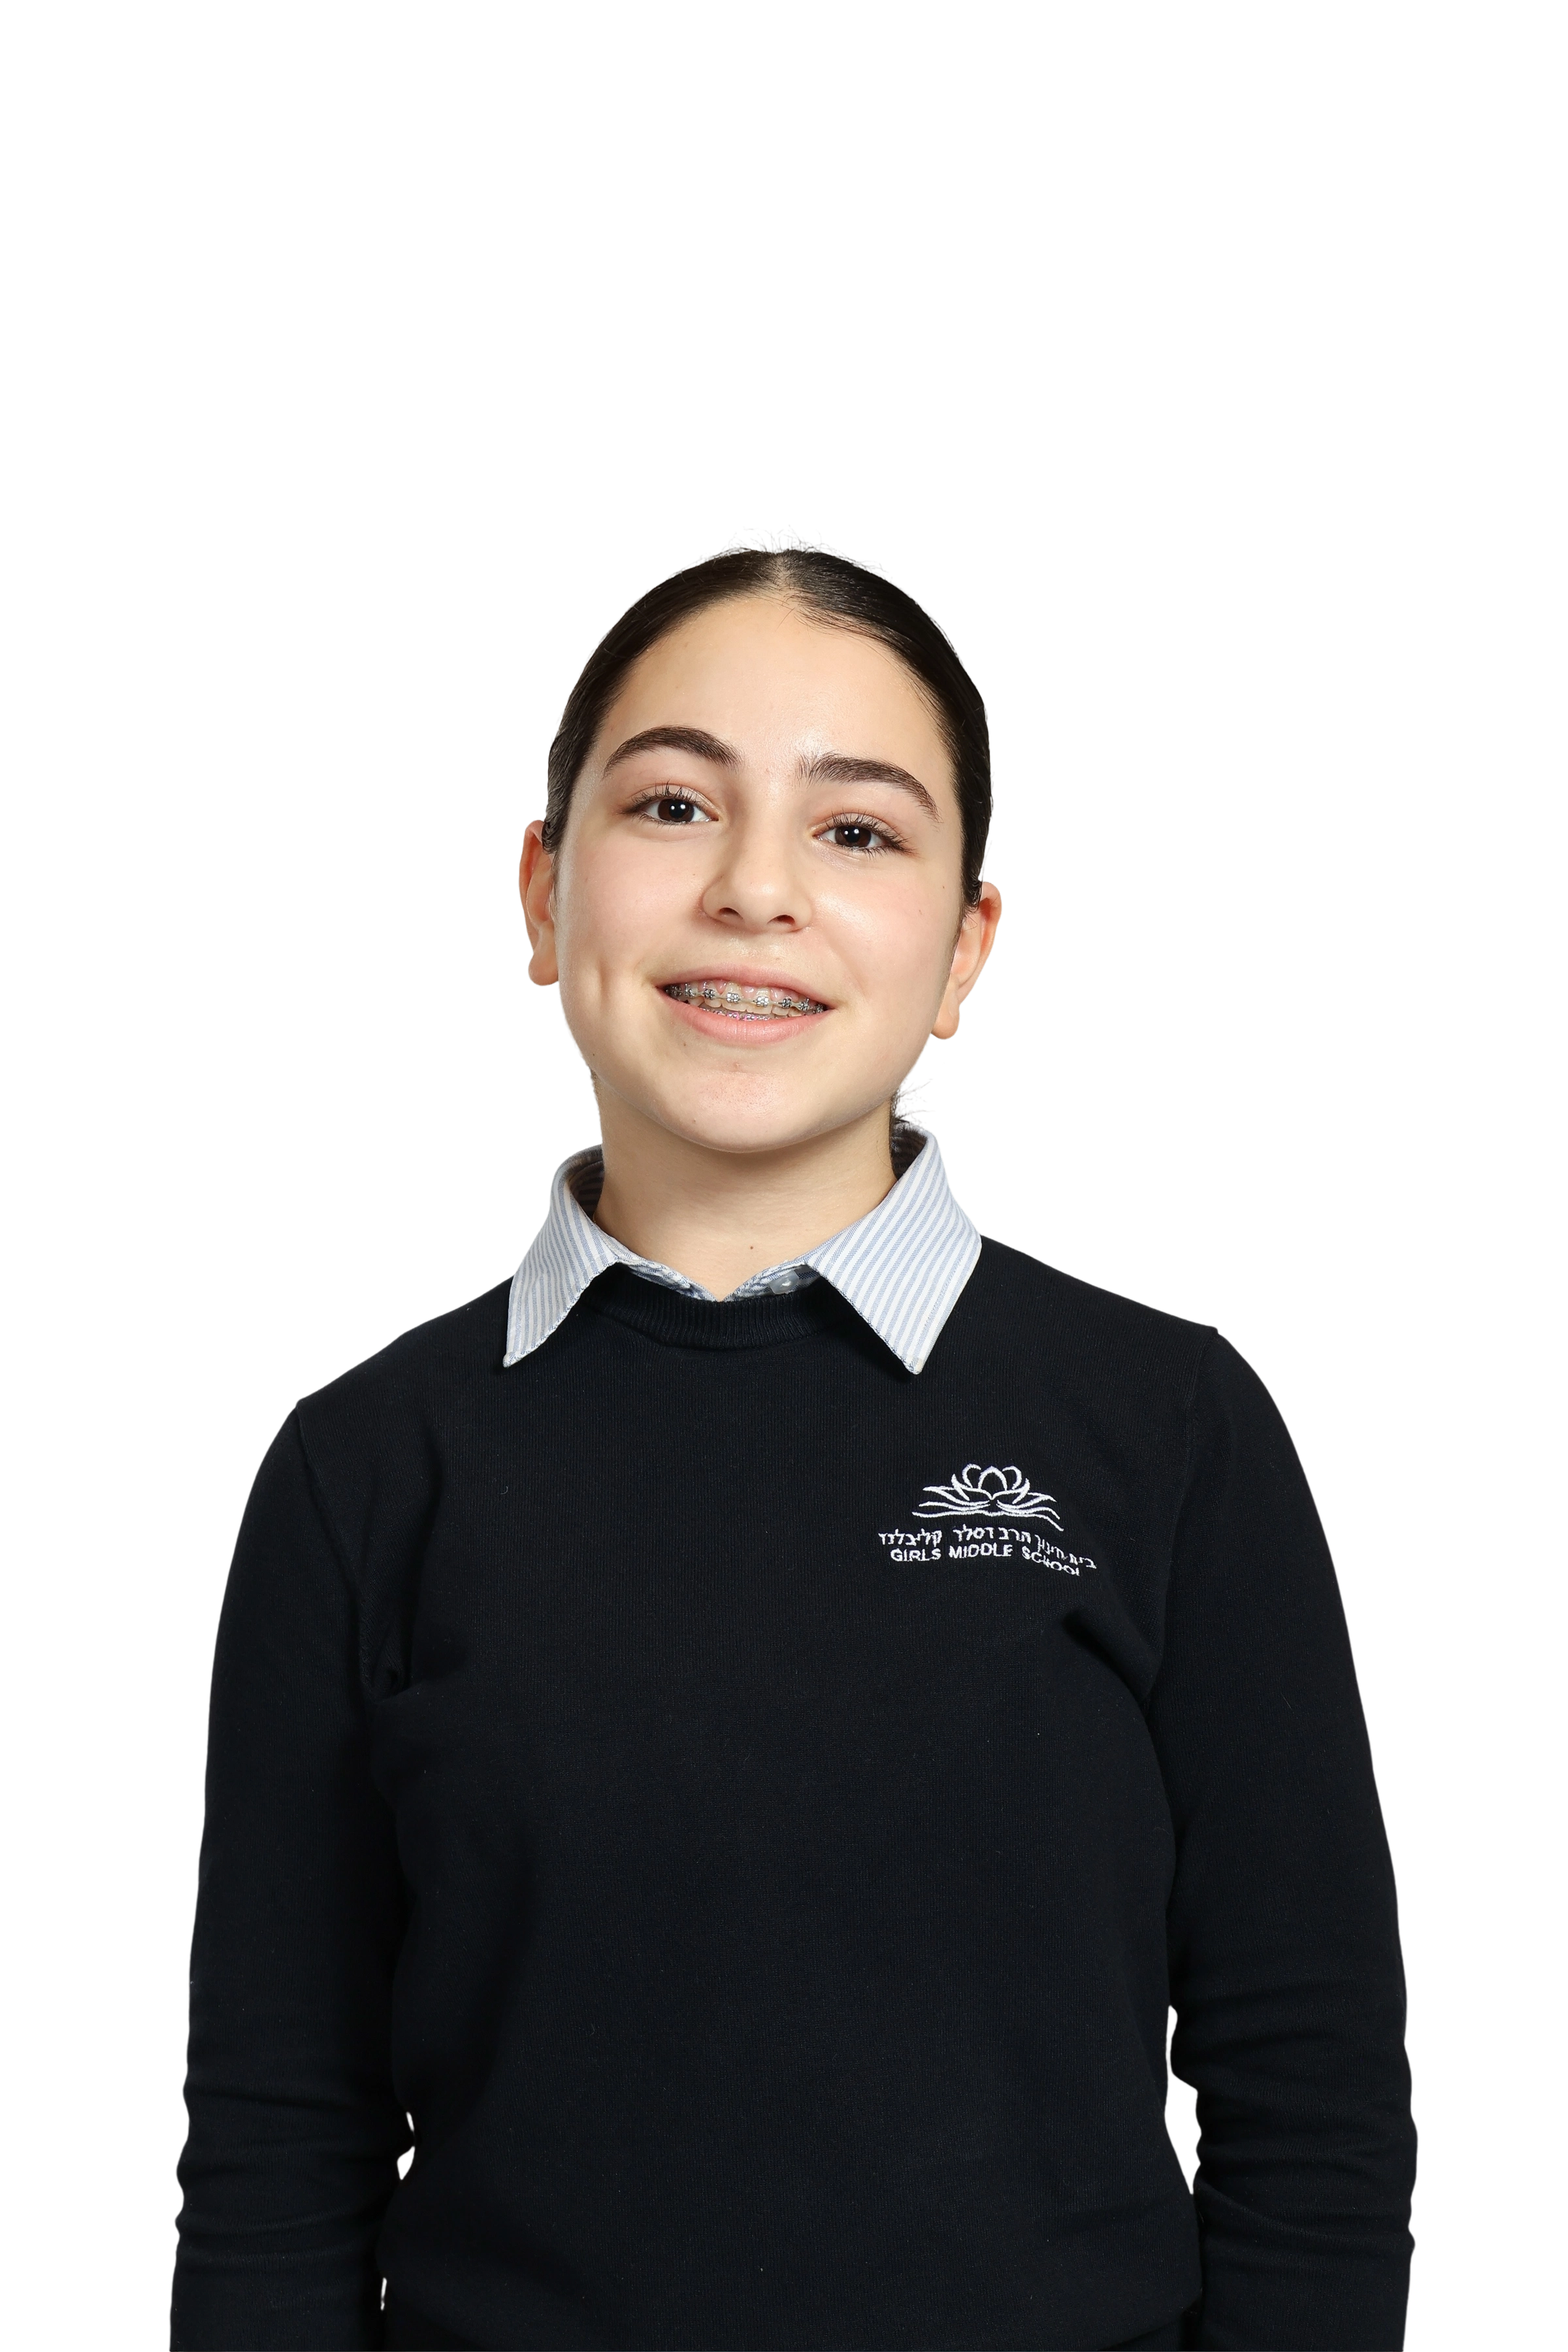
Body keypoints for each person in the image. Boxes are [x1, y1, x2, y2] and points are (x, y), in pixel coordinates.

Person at [169, 525, 1418, 2351]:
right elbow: (276, 2152)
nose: (757, 889)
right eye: (673, 806)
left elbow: (1314, 2108)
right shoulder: (361, 1472)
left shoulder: (1173, 1428)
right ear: (541, 894)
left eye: (858, 830)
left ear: (967, 947)